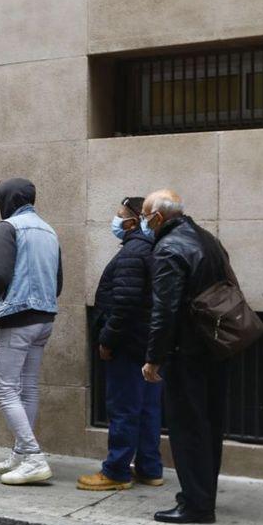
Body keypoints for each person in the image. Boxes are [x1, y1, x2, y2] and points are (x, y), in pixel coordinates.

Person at [141, 189, 231, 524]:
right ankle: (203, 494)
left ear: (159, 217)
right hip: (215, 345)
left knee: (188, 428)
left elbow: (164, 310)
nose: (143, 222)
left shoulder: (168, 249)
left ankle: (196, 504)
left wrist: (154, 358)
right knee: (209, 425)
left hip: (187, 351)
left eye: (146, 215)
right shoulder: (208, 239)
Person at [0, 177, 63, 486]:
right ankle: (21, 453)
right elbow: (58, 282)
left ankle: (34, 457)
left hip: (18, 317)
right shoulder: (49, 230)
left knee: (5, 388)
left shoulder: (7, 228)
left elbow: (0, 276)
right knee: (28, 388)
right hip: (45, 317)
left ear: (8, 200)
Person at [79, 197, 163, 491]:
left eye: (118, 216)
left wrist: (106, 340)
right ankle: (150, 468)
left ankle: (116, 471)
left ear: (133, 220)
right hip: (149, 343)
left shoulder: (133, 252)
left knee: (124, 408)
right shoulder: (151, 249)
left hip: (128, 344)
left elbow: (124, 305)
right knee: (148, 408)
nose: (114, 221)